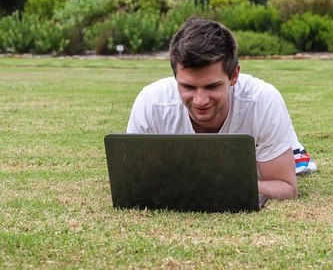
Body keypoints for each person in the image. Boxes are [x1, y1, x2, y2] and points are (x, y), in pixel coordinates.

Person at [126, 17, 316, 200]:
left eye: (212, 86)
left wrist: (209, 184)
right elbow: (132, 183)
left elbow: (286, 187)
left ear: (234, 75)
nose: (200, 101)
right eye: (188, 87)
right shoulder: (151, 102)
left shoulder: (262, 100)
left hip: (263, 155)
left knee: (296, 161)